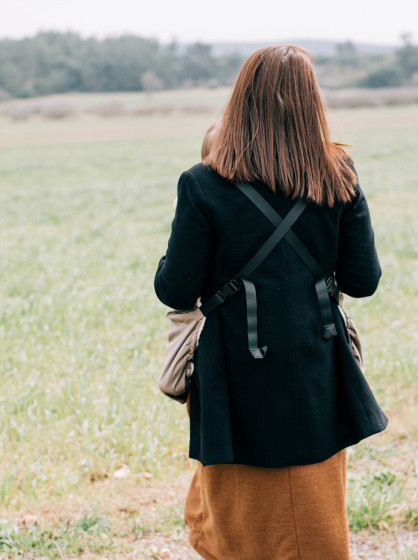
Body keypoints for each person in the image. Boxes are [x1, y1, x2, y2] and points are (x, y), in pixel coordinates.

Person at [154, 45, 387, 560]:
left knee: (233, 504)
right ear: (311, 104)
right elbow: (363, 279)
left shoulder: (202, 183)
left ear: (240, 100)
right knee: (311, 499)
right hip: (315, 355)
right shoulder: (338, 174)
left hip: (232, 362)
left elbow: (174, 290)